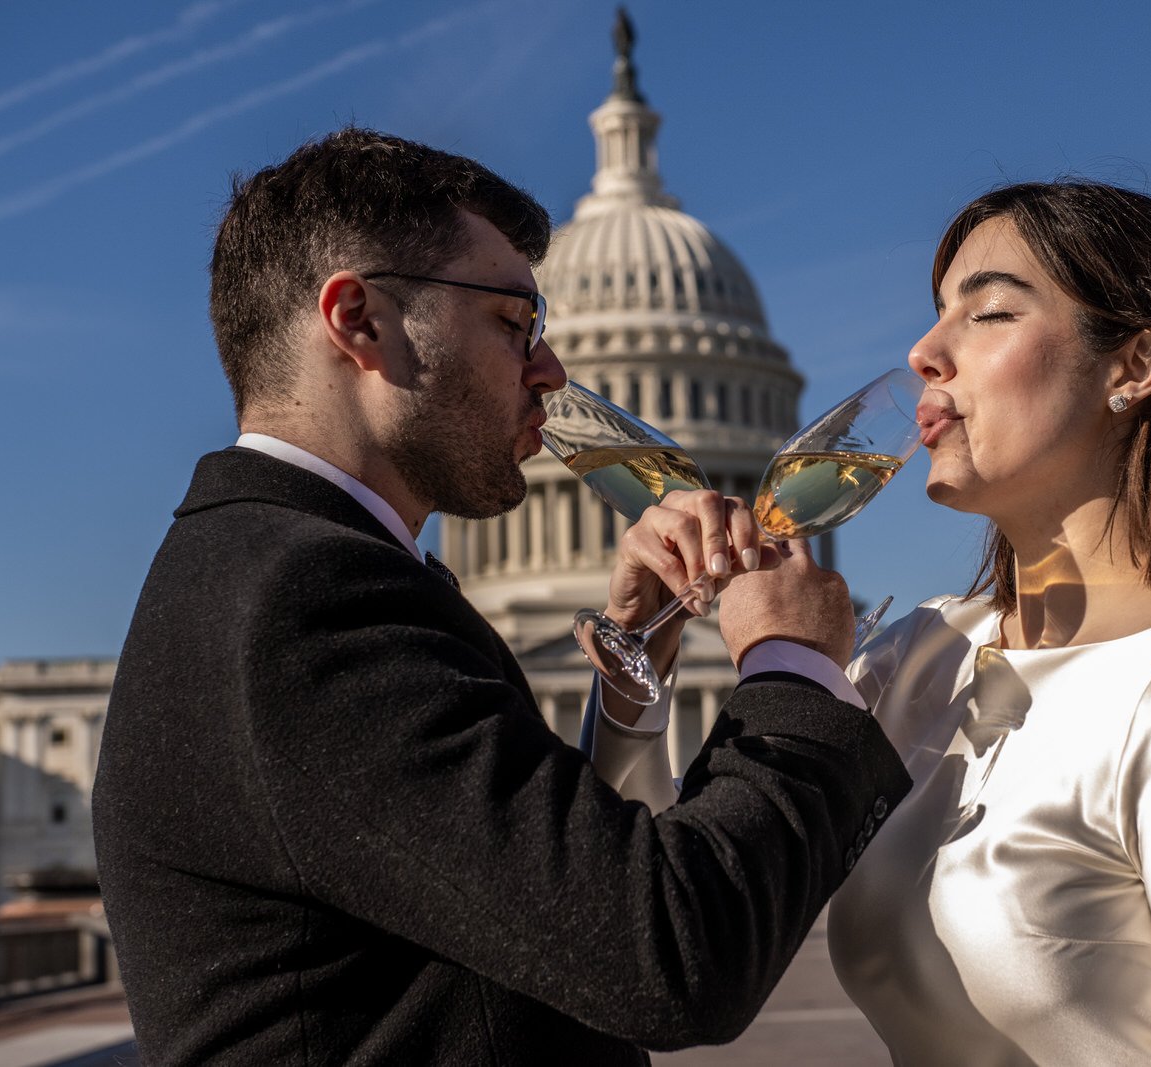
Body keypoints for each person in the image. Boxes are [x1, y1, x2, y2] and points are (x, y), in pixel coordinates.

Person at [602, 181, 1151, 1064]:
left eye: (987, 313)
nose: (923, 350)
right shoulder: (917, 658)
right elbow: (664, 918)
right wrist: (639, 673)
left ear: (1136, 365)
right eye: (936, 313)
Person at [90, 127, 910, 1067]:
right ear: (358, 320)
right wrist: (793, 666)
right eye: (515, 324)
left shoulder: (277, 568)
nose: (554, 374)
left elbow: (548, 908)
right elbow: (676, 955)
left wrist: (636, 674)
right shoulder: (308, 600)